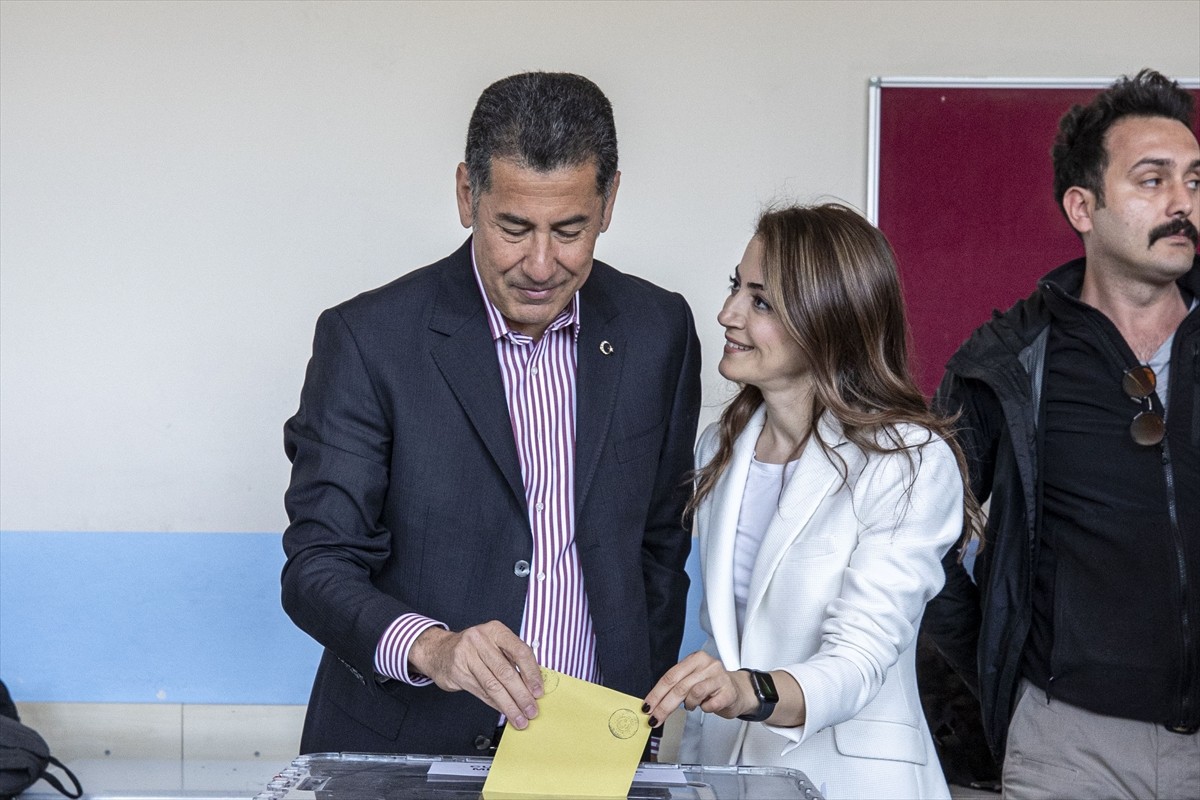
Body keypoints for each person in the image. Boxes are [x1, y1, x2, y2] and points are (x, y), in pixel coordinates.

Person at [281, 71, 701, 756]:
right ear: (466, 194)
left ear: (610, 200)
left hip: (592, 748)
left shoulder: (659, 330)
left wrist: (633, 715)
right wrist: (433, 647)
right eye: (513, 227)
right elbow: (318, 566)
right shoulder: (370, 339)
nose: (540, 264)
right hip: (405, 748)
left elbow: (660, 544)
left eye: (570, 230)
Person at [924, 68, 1200, 799]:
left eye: (1194, 181)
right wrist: (1008, 668)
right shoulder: (1004, 365)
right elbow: (926, 543)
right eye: (1152, 180)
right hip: (1069, 745)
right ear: (1083, 206)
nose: (1183, 203)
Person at [642, 203, 976, 798]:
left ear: (829, 318)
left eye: (760, 301)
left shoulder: (909, 461)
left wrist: (752, 691)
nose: (727, 314)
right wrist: (692, 775)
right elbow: (720, 644)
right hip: (729, 779)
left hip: (852, 783)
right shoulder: (721, 451)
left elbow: (859, 660)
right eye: (734, 288)